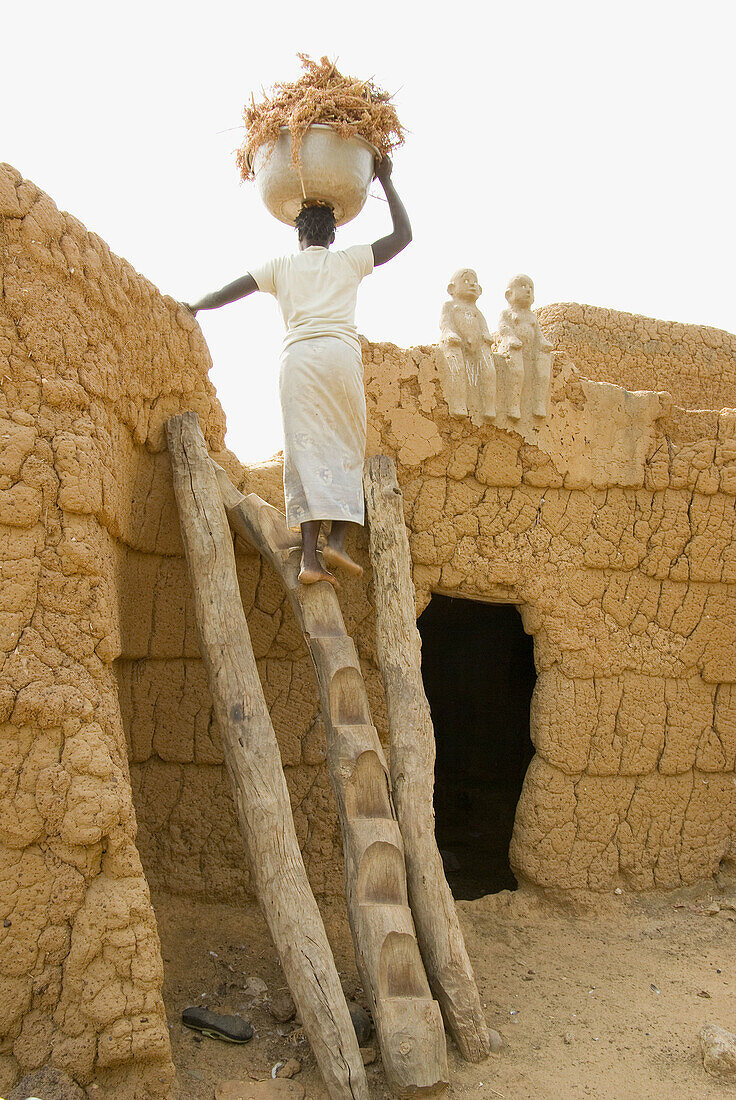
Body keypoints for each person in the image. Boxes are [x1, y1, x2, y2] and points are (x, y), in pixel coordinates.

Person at [185, 155, 411, 587]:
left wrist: (194, 305)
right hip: (340, 357)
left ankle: (310, 557)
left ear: (299, 234)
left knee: (305, 450)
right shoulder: (349, 260)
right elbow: (404, 235)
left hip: (299, 362)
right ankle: (338, 540)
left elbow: (223, 293)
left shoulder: (281, 267)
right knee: (347, 442)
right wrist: (386, 180)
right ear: (333, 233)